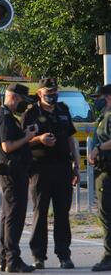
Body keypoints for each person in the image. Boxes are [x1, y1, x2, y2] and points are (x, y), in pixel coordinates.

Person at [22, 78, 79, 269]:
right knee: (40, 212)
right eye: (48, 91)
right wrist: (39, 138)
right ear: (39, 93)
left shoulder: (63, 110)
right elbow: (22, 141)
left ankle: (64, 255)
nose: (52, 94)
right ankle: (38, 256)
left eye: (55, 90)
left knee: (63, 213)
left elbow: (71, 138)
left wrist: (77, 166)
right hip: (40, 168)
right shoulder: (31, 113)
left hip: (63, 167)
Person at [0, 83, 36, 273]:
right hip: (12, 173)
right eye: (22, 101)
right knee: (14, 218)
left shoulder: (7, 117)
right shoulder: (6, 118)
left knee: (7, 216)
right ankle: (12, 260)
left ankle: (5, 258)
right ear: (14, 98)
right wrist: (27, 137)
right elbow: (7, 146)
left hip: (13, 172)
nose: (24, 106)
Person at [89, 84, 111, 272]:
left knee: (107, 215)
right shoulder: (104, 115)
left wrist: (98, 149)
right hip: (103, 171)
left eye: (100, 97)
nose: (97, 100)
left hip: (108, 174)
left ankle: (109, 255)